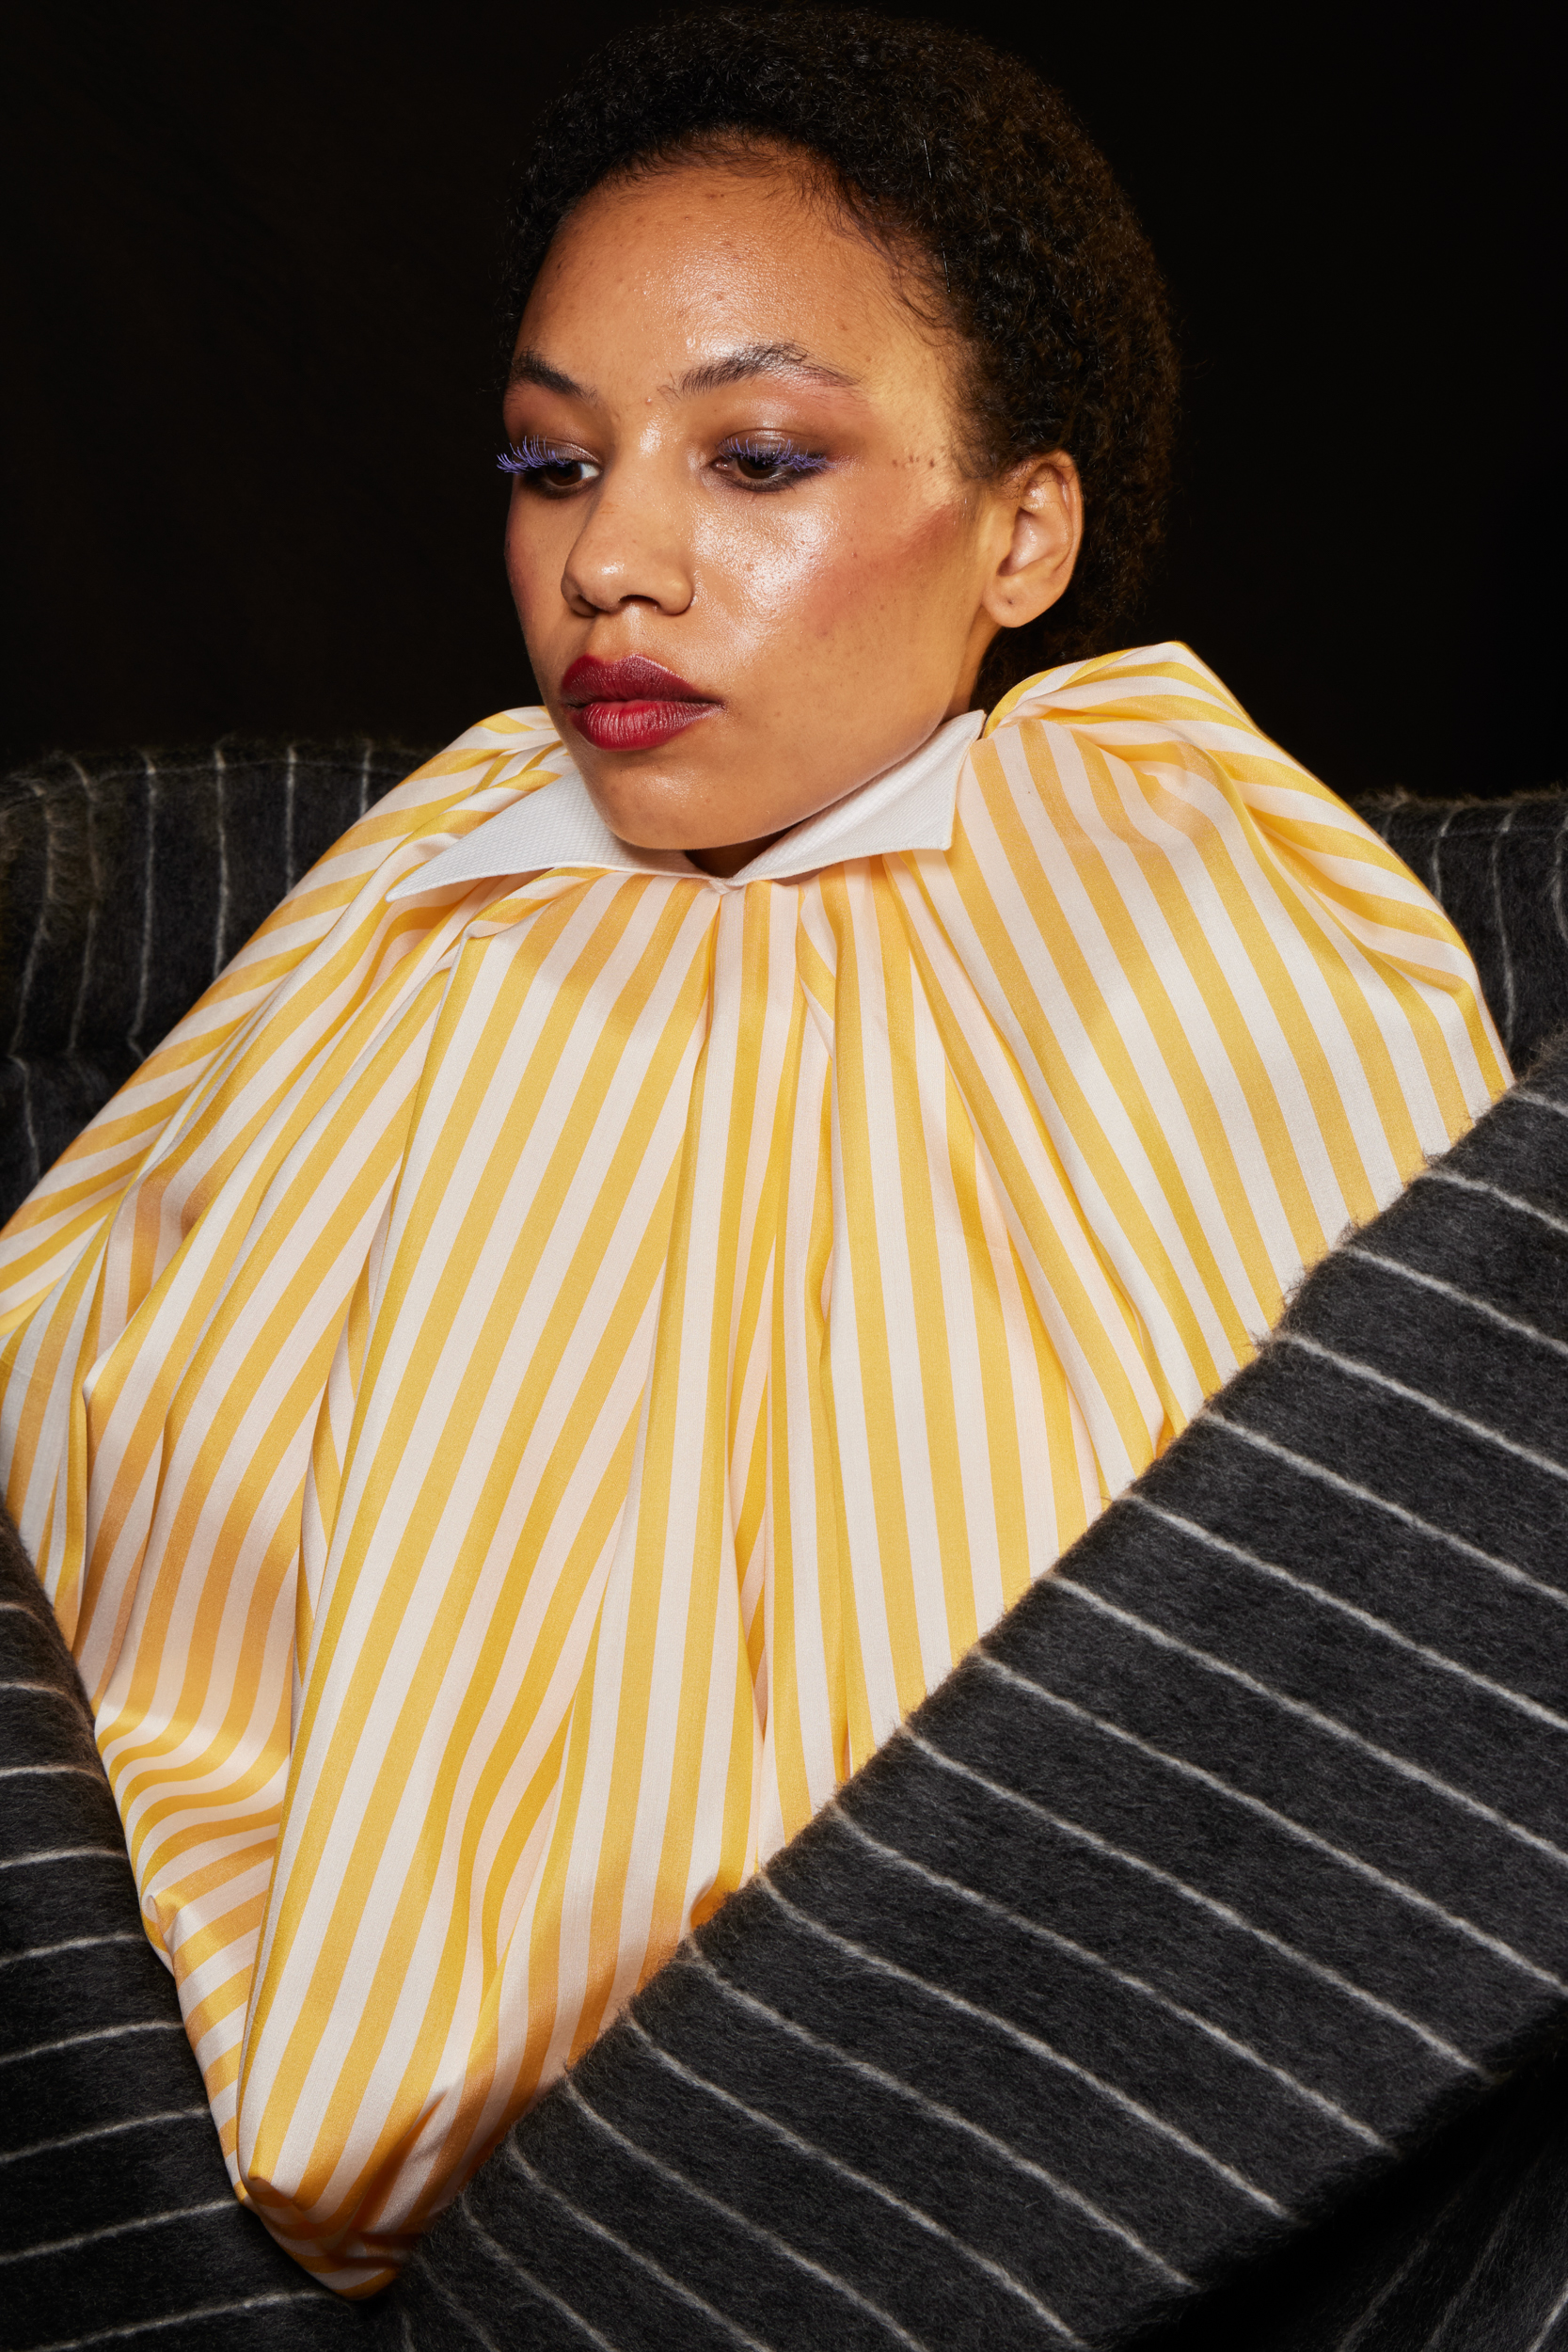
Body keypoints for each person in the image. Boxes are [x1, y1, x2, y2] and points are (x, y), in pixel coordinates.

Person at [0, 5, 1504, 2298]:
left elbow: (1362, 1663)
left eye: (761, 457)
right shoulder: (431, 883)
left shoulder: (1198, 890)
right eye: (552, 462)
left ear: (1024, 528)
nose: (614, 560)